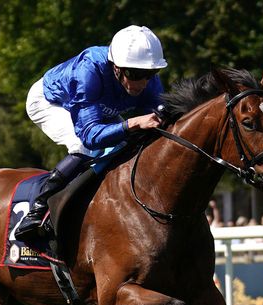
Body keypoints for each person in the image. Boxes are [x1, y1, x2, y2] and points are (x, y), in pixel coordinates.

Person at [15, 25, 168, 239]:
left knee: (130, 144)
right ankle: (39, 207)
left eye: (150, 74)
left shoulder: (147, 81)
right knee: (83, 146)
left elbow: (159, 119)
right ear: (116, 67)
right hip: (50, 101)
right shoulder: (89, 70)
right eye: (135, 74)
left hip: (99, 108)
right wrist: (132, 123)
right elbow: (90, 134)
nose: (142, 82)